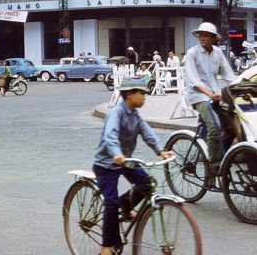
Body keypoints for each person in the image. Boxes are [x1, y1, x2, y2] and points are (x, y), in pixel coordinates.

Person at [93, 77, 173, 255]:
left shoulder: (135, 115)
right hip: (106, 164)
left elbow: (147, 132)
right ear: (129, 95)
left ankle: (126, 205)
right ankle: (106, 246)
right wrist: (116, 154)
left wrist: (161, 150)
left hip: (125, 161)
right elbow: (110, 135)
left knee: (147, 184)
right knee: (111, 203)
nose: (145, 96)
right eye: (142, 93)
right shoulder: (116, 113)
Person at [184, 22, 236, 175]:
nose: (202, 38)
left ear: (214, 38)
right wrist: (209, 94)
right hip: (198, 96)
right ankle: (214, 164)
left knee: (233, 124)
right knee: (214, 126)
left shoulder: (218, 53)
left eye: (206, 35)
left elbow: (229, 76)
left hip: (214, 95)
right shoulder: (192, 53)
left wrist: (239, 88)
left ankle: (221, 153)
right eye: (201, 35)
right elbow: (193, 80)